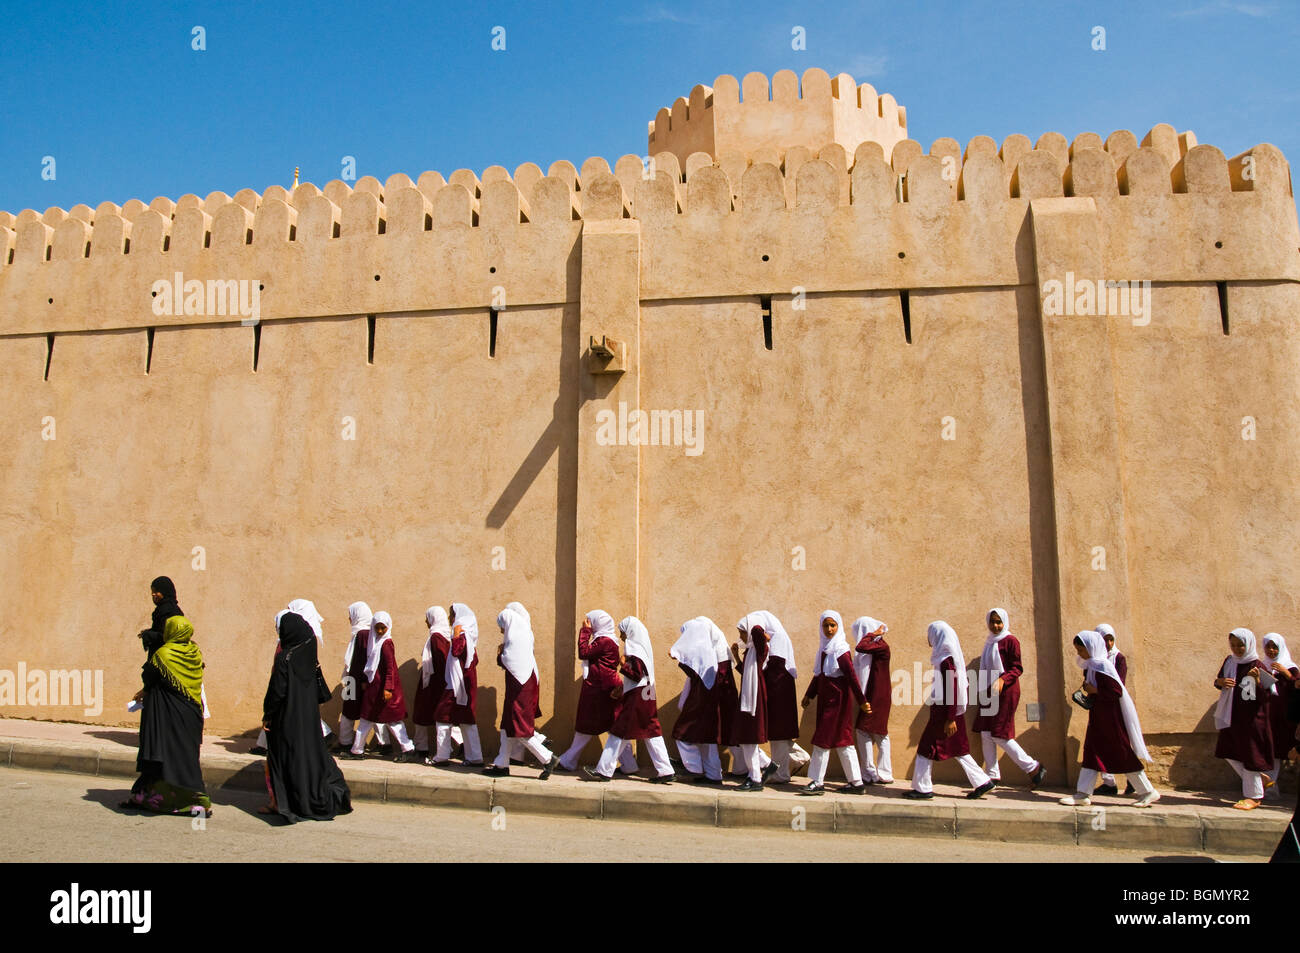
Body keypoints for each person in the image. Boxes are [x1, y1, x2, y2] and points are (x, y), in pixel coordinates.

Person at [260, 611, 352, 822]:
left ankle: (278, 803)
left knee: (282, 760)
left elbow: (277, 692)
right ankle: (305, 799)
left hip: (286, 720)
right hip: (308, 721)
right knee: (306, 760)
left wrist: (268, 715)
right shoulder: (308, 657)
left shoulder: (285, 658)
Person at [121, 615, 212, 816]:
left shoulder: (164, 654)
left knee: (166, 755)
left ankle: (164, 800)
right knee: (185, 757)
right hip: (191, 710)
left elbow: (149, 676)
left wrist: (146, 690)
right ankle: (195, 799)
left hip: (169, 714)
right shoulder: (195, 652)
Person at [1060, 630, 1160, 807]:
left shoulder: (1102, 665)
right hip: (1099, 717)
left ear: (1091, 647)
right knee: (1091, 752)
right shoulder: (1092, 665)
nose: (1079, 654)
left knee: (1122, 753)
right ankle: (1082, 794)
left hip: (1111, 719)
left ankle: (1147, 791)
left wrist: (1095, 691)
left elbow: (1116, 691)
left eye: (1081, 650)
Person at [905, 621, 995, 800]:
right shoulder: (946, 658)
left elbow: (952, 688)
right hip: (949, 712)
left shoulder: (945, 660)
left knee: (925, 747)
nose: (929, 639)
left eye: (931, 635)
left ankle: (922, 788)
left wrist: (950, 718)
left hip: (945, 714)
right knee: (959, 749)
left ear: (938, 636)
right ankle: (983, 782)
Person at [583, 616, 675, 783]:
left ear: (630, 632)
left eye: (623, 632)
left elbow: (637, 674)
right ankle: (665, 770)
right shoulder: (643, 649)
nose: (621, 636)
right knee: (651, 733)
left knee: (618, 732)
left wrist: (622, 664)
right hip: (646, 696)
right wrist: (622, 688)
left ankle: (603, 771)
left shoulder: (635, 650)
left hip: (637, 698)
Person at [973, 608, 1046, 788]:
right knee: (986, 733)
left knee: (1000, 733)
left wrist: (1002, 680)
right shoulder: (989, 642)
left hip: (1006, 691)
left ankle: (1033, 767)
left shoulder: (1011, 641)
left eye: (999, 622)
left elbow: (1017, 668)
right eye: (992, 622)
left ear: (1005, 622)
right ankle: (992, 775)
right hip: (989, 692)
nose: (996, 626)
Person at [484, 605, 559, 777]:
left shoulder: (515, 642)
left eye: (502, 626)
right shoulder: (522, 637)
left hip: (519, 692)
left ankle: (548, 758)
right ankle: (501, 764)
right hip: (518, 690)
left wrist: (500, 654)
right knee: (507, 728)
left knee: (520, 730)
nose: (501, 630)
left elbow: (508, 661)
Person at [800, 610, 867, 796]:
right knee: (843, 741)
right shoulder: (824, 648)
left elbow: (852, 677)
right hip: (826, 701)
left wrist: (862, 701)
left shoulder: (840, 650)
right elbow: (820, 675)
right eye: (825, 625)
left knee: (822, 741)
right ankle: (856, 782)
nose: (829, 629)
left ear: (839, 627)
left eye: (832, 625)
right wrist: (809, 695)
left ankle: (816, 781)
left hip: (837, 703)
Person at [559, 610, 634, 773]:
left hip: (599, 687)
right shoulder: (608, 640)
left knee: (587, 724)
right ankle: (629, 764)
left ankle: (568, 761)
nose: (587, 623)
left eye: (590, 621)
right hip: (604, 685)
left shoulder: (604, 641)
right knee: (613, 725)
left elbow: (583, 653)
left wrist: (585, 632)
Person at [253, 599, 329, 755]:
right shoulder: (304, 632)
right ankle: (263, 744)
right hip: (300, 683)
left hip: (293, 682)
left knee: (289, 713)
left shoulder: (299, 634)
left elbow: (280, 684)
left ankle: (325, 734)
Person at [1213, 627, 1276, 810]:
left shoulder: (1257, 666)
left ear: (1248, 644)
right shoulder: (1230, 661)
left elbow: (1266, 696)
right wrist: (1220, 682)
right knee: (1228, 750)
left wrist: (1256, 682)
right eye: (1233, 645)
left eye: (1241, 645)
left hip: (1252, 719)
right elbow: (1219, 680)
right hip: (1231, 715)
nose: (1237, 649)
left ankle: (1254, 797)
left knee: (1250, 755)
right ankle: (1261, 780)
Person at [344, 611, 416, 762]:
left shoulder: (386, 643)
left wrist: (388, 688)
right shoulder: (375, 642)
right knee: (366, 718)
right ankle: (357, 750)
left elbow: (390, 668)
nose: (380, 631)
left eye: (383, 628)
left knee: (393, 720)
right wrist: (365, 681)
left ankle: (408, 748)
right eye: (377, 628)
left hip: (383, 690)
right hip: (374, 688)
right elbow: (370, 665)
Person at [740, 611, 799, 786]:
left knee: (779, 736)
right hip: (774, 695)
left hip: (780, 695)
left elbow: (773, 669)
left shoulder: (777, 640)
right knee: (778, 735)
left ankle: (781, 774)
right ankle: (794, 760)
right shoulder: (766, 643)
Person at [670, 617, 724, 784]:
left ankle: (693, 767)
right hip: (708, 700)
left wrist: (678, 658)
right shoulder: (707, 650)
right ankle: (713, 775)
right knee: (707, 739)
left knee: (682, 733)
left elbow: (695, 672)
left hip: (701, 700)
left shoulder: (701, 650)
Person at [430, 603, 484, 766]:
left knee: (442, 717)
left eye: (452, 616)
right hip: (461, 684)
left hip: (457, 685)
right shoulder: (468, 637)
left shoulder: (463, 635)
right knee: (466, 720)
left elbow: (456, 652)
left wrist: (455, 634)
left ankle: (442, 755)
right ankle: (474, 757)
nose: (449, 619)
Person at [413, 606, 463, 762]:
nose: (426, 621)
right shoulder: (444, 635)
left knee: (424, 714)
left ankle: (422, 748)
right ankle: (459, 743)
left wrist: (439, 683)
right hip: (438, 682)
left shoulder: (436, 637)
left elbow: (440, 660)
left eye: (428, 618)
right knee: (439, 716)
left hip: (434, 683)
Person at [730, 613, 771, 791]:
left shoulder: (760, 650)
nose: (741, 637)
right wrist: (737, 656)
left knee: (749, 738)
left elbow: (757, 632)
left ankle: (755, 778)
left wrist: (758, 629)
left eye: (742, 633)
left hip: (754, 699)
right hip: (748, 697)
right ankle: (759, 771)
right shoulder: (750, 651)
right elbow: (745, 673)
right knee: (747, 738)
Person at [851, 615, 893, 785]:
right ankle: (876, 772)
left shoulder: (880, 645)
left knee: (874, 732)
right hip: (874, 694)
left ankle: (878, 773)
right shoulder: (875, 647)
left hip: (877, 695)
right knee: (870, 731)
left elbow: (860, 646)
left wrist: (873, 633)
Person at [1093, 622, 1131, 795]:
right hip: (1100, 706)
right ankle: (1109, 782)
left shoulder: (1118, 658)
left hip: (1116, 708)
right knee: (1100, 744)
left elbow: (1118, 687)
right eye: (1104, 639)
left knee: (1120, 745)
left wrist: (1097, 691)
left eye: (1110, 639)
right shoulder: (1094, 660)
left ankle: (1134, 779)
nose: (1107, 644)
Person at [1263, 633, 1299, 798]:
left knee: (1277, 751)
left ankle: (1271, 788)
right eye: (1268, 646)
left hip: (1283, 717)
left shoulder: (1291, 668)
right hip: (1265, 715)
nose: (1271, 650)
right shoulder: (1262, 666)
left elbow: (1297, 689)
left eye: (1274, 647)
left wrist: (1286, 674)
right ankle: (1263, 786)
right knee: (1265, 749)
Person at [338, 602, 373, 753]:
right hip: (354, 679)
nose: (349, 619)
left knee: (349, 711)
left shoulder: (363, 634)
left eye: (351, 615)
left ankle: (346, 743)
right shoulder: (362, 633)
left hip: (356, 680)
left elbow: (363, 659)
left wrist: (362, 680)